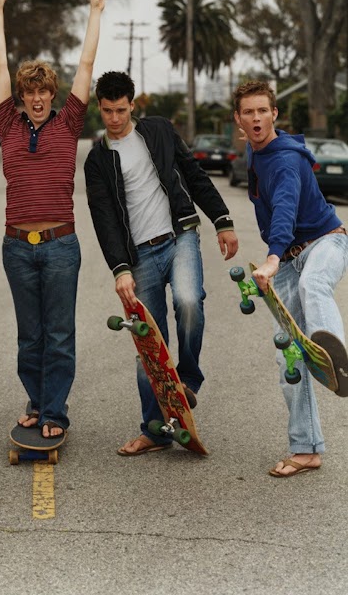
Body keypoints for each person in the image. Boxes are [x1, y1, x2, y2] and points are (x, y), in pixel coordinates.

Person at [84, 71, 239, 456]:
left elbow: (194, 174)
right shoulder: (97, 160)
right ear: (99, 107)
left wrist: (222, 220)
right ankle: (154, 431)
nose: (114, 118)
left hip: (178, 236)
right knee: (148, 344)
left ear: (132, 106)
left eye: (121, 110)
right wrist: (120, 268)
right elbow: (104, 219)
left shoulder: (159, 131)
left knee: (188, 300)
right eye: (107, 111)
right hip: (138, 255)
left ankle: (187, 379)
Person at [0, 0, 107, 439]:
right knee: (29, 335)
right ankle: (37, 402)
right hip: (17, 246)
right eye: (29, 92)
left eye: (43, 92)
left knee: (58, 334)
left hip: (60, 246)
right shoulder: (7, 124)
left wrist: (94, 12)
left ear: (52, 95)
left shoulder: (69, 122)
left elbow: (86, 65)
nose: (37, 99)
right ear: (21, 96)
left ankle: (55, 412)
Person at [233, 79, 348, 478]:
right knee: (290, 358)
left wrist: (270, 258)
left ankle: (336, 355)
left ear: (275, 113)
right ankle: (306, 449)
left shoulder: (284, 160)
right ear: (239, 119)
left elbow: (284, 208)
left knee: (312, 284)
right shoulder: (256, 148)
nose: (257, 119)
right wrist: (277, 260)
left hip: (325, 242)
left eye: (263, 111)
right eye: (249, 112)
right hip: (287, 260)